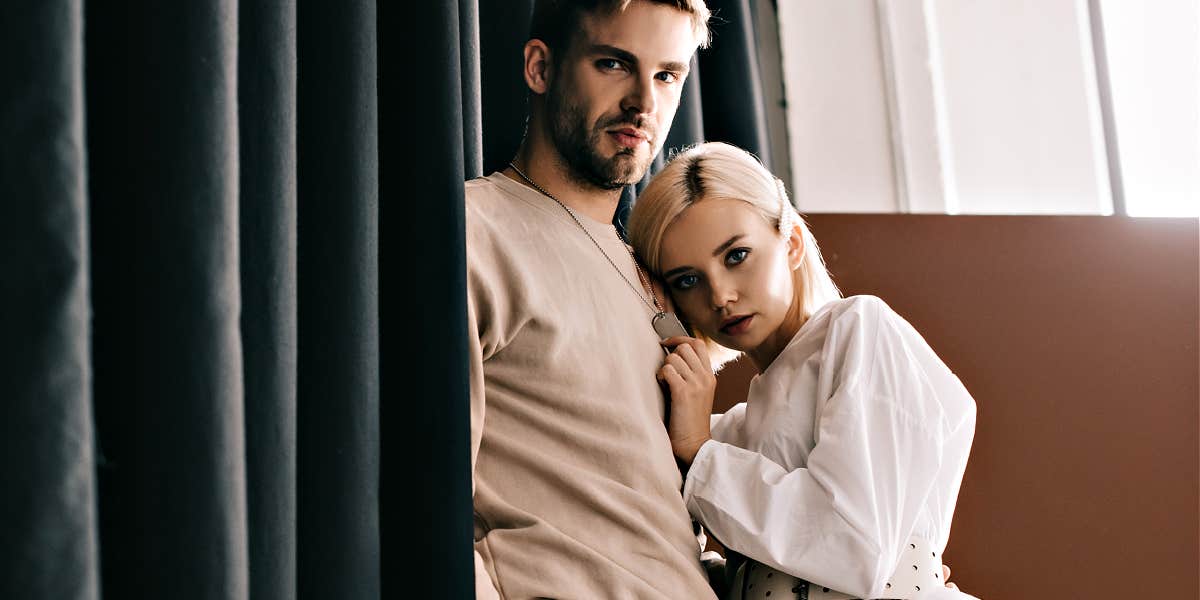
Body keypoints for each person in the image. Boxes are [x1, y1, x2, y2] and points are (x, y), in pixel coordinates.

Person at [626, 142, 978, 600]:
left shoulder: (860, 329)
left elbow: (855, 548)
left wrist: (700, 450)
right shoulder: (734, 431)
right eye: (688, 280)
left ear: (790, 242)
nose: (720, 295)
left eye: (736, 256)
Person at [465, 1, 719, 597]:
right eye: (613, 64)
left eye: (667, 75)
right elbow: (421, 493)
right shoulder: (476, 230)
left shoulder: (653, 276)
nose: (644, 103)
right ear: (540, 68)